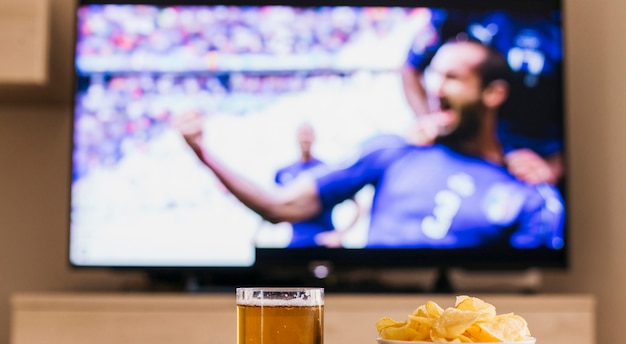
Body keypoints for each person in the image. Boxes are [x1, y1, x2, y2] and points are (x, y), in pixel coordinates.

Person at [175, 39, 564, 249]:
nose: (434, 87)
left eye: (452, 77)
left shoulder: (528, 190)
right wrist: (202, 153)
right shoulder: (393, 151)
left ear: (493, 94)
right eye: (432, 74)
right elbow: (280, 206)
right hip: (371, 331)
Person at [401, 13, 565, 186]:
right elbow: (411, 69)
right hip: (463, 149)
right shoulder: (459, 13)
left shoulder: (560, 24)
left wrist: (554, 167)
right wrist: (430, 121)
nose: (437, 89)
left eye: (451, 77)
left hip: (530, 162)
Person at [267, 122, 360, 248]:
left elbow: (359, 206)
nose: (305, 138)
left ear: (314, 138)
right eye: (302, 134)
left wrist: (339, 235)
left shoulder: (326, 170)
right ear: (297, 137)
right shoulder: (283, 172)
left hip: (324, 242)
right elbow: (271, 207)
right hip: (296, 244)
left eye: (308, 134)